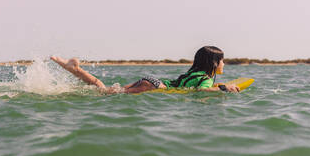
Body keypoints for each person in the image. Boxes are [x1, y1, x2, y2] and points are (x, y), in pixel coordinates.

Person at [50, 46, 240, 94]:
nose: (224, 64)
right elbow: (201, 91)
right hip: (156, 87)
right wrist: (224, 89)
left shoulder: (194, 73)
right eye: (222, 61)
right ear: (214, 64)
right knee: (105, 93)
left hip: (153, 81)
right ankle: (74, 69)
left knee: (106, 90)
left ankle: (75, 69)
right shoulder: (206, 78)